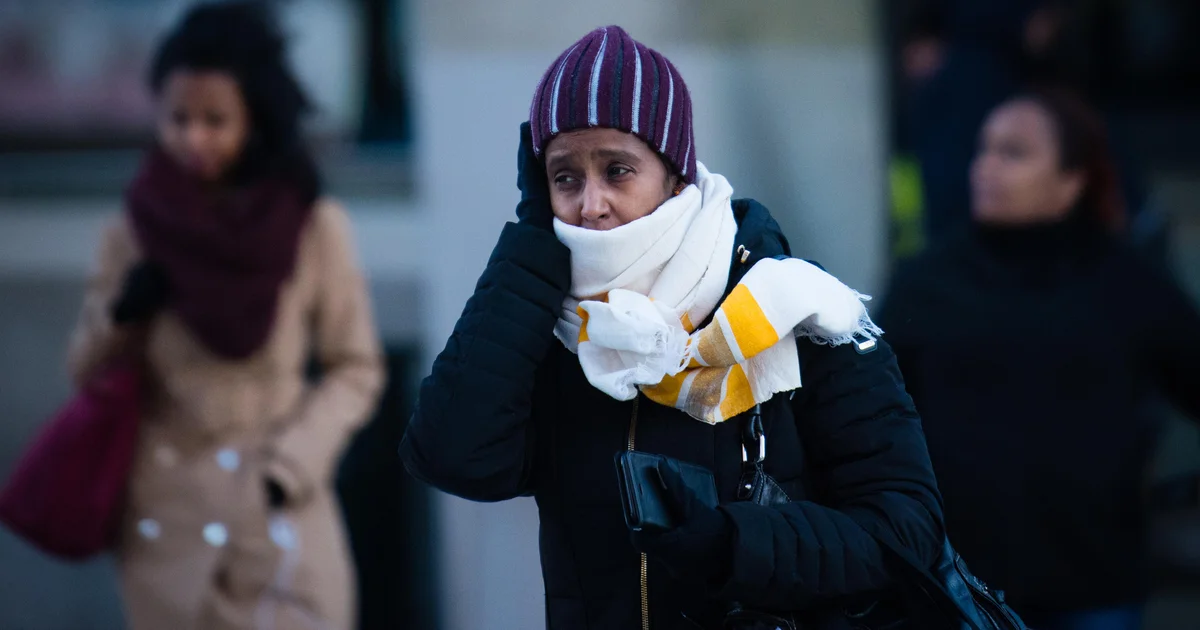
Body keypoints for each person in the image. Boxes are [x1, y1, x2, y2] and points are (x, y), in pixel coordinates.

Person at [401, 26, 945, 629]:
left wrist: (730, 543)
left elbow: (906, 531)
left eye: (617, 170)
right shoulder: (554, 333)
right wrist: (531, 242)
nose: (591, 205)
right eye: (564, 178)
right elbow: (452, 457)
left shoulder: (798, 312)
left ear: (676, 174)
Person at [66, 2, 383, 628]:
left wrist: (289, 468)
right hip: (169, 526)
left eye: (215, 120)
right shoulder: (133, 230)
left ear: (255, 120)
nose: (193, 138)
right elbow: (84, 372)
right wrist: (123, 313)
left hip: (279, 516)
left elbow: (357, 368)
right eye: (177, 118)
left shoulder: (313, 226)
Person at [877, 89, 1200, 630]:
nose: (986, 167)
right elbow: (869, 421)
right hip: (954, 587)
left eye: (1014, 152)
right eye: (984, 150)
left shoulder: (1128, 283)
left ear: (1073, 179)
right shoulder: (926, 282)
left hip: (1094, 588)